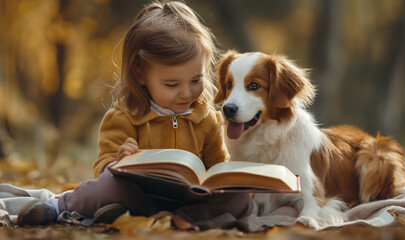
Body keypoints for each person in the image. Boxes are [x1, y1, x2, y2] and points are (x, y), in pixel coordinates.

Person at [17, 1, 253, 229]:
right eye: (171, 84)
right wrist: (118, 160)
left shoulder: (207, 120)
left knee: (241, 199)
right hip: (136, 194)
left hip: (187, 201)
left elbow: (216, 168)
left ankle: (170, 219)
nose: (186, 92)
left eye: (196, 80)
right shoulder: (124, 116)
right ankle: (58, 206)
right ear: (140, 76)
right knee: (107, 188)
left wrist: (227, 178)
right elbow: (102, 167)